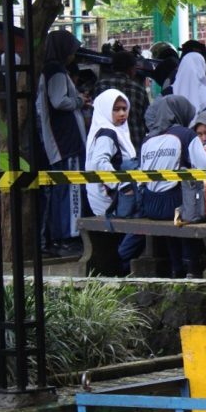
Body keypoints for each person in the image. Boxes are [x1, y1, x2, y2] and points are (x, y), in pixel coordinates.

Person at [132, 94, 206, 277]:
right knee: (187, 205)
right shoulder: (185, 135)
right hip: (176, 206)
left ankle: (176, 267)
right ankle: (192, 268)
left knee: (174, 217)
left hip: (151, 206)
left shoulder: (147, 140)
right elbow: (205, 166)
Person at [36, 29, 88, 257]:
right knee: (71, 189)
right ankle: (69, 236)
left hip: (60, 141)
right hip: (66, 141)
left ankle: (59, 236)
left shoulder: (48, 70)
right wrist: (79, 101)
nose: (74, 55)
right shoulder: (56, 71)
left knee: (61, 190)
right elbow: (59, 101)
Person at [84, 89, 137, 217]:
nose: (122, 113)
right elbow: (99, 163)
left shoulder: (113, 130)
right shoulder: (107, 133)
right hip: (110, 203)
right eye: (116, 109)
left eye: (125, 109)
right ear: (105, 109)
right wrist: (124, 186)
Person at [94, 49, 150, 149]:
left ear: (113, 67)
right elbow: (147, 120)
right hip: (133, 146)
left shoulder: (100, 86)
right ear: (131, 69)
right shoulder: (139, 90)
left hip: (106, 146)